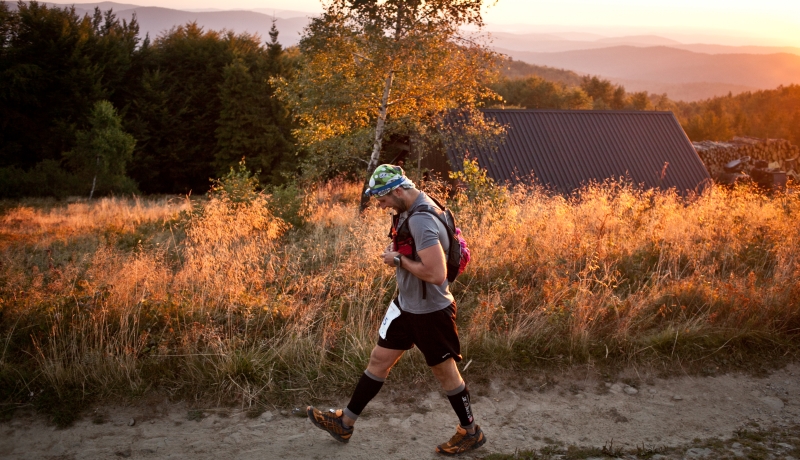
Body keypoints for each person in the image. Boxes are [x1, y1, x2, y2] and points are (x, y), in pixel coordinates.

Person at [306, 164, 486, 456]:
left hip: (430, 312)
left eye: (383, 199)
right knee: (379, 360)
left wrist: (398, 260)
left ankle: (471, 432)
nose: (381, 205)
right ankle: (345, 423)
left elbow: (437, 274)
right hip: (406, 306)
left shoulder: (421, 220)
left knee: (446, 374)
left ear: (399, 191)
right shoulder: (413, 207)